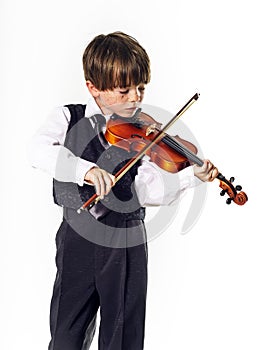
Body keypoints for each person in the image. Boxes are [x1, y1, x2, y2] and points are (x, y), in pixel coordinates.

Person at [28, 31, 218, 350]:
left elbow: (148, 189)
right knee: (66, 333)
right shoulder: (68, 117)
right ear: (94, 88)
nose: (135, 99)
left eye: (141, 88)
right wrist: (85, 169)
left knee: (123, 335)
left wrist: (191, 176)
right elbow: (37, 150)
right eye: (124, 90)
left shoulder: (141, 135)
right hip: (77, 237)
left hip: (126, 239)